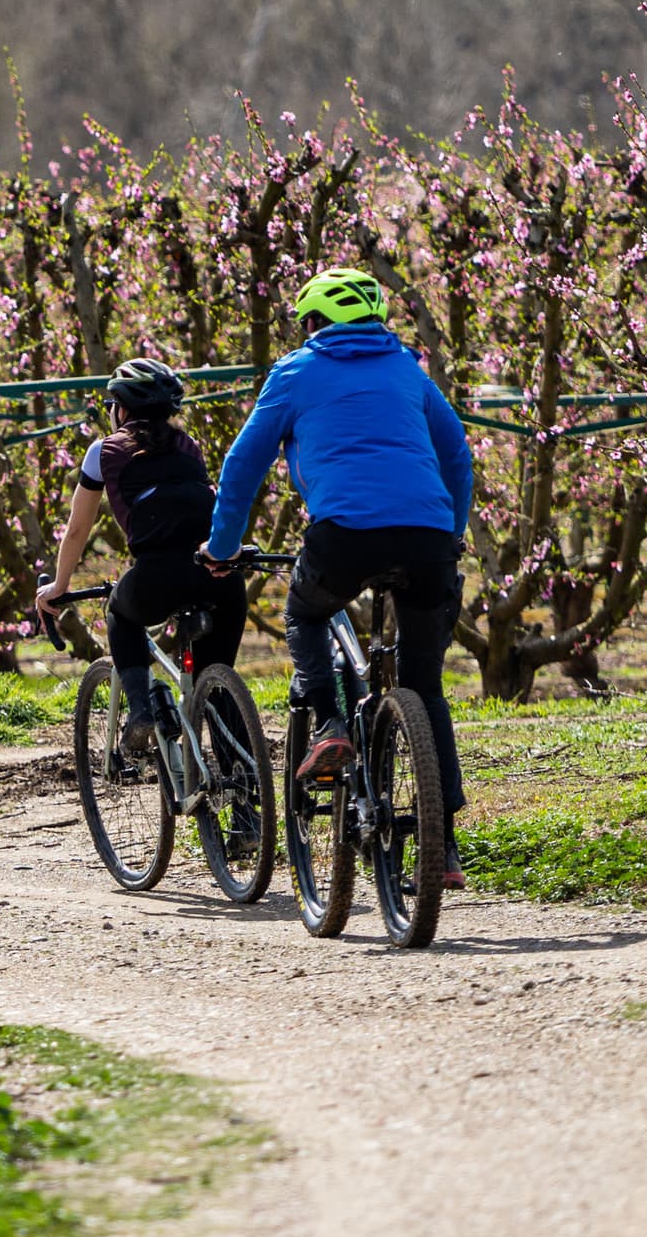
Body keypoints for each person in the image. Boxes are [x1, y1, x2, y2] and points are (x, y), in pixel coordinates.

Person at [203, 268, 477, 883]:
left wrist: (221, 546)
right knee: (425, 688)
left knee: (305, 612)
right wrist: (451, 533)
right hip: (429, 537)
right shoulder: (410, 370)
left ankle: (328, 725)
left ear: (313, 323)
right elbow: (456, 454)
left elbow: (244, 462)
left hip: (344, 536)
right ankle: (445, 845)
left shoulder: (296, 371)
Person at [32, 357, 229, 755]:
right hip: (220, 574)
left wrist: (60, 585)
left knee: (121, 613)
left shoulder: (102, 451)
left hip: (157, 576)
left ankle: (140, 710)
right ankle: (244, 793)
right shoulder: (190, 448)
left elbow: (76, 529)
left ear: (120, 409)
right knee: (220, 685)